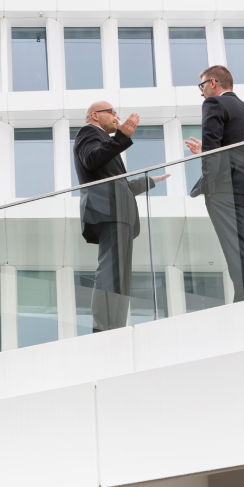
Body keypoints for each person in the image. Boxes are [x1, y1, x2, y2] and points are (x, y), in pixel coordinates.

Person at [73, 101, 170, 331]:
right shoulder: (88, 132)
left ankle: (114, 326)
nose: (117, 116)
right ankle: (103, 327)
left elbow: (118, 184)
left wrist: (148, 182)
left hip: (119, 211)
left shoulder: (107, 141)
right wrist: (121, 137)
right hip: (108, 211)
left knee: (121, 276)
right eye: (112, 112)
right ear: (95, 116)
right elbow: (91, 159)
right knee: (110, 270)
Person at [185, 65, 244, 300]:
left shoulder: (214, 104)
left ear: (213, 82)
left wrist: (211, 187)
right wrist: (206, 151)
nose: (201, 92)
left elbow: (214, 150)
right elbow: (237, 148)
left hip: (227, 189)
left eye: (202, 85)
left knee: (237, 250)